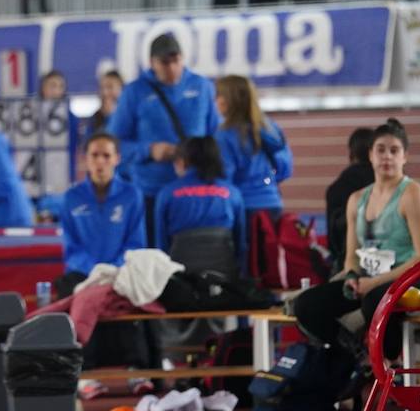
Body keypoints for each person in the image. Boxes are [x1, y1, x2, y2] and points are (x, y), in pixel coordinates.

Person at [292, 119, 420, 368]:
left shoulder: (414, 195)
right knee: (306, 305)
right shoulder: (357, 199)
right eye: (381, 150)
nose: (387, 157)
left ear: (405, 157)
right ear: (370, 155)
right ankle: (356, 356)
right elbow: (352, 256)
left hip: (411, 279)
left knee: (374, 301)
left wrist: (372, 283)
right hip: (368, 280)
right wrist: (350, 276)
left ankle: (389, 360)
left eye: (394, 151)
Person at [107, 32, 219, 242]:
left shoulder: (202, 87)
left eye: (176, 60)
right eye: (164, 62)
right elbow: (114, 144)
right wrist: (149, 150)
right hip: (152, 191)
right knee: (153, 256)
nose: (171, 68)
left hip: (195, 189)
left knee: (194, 254)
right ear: (152, 63)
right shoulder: (134, 92)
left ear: (183, 58)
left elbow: (216, 136)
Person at [59, 133, 145, 283]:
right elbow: (70, 246)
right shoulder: (71, 197)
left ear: (117, 158)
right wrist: (94, 271)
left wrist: (112, 270)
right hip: (81, 276)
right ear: (85, 158)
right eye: (94, 155)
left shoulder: (132, 195)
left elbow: (136, 243)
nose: (100, 161)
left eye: (106, 155)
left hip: (121, 275)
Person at [213, 75, 293, 233]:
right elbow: (285, 169)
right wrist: (266, 181)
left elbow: (225, 180)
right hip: (272, 204)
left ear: (225, 101)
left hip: (243, 208)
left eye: (217, 95)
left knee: (246, 257)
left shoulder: (224, 135)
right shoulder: (270, 128)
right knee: (269, 257)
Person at [154, 136, 247, 262]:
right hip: (224, 271)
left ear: (181, 161)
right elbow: (241, 244)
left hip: (179, 273)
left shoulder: (167, 194)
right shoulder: (232, 193)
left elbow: (161, 245)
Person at [324, 128, 375, 272]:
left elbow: (333, 243)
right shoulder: (394, 185)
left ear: (351, 154)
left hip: (348, 263)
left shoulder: (337, 188)